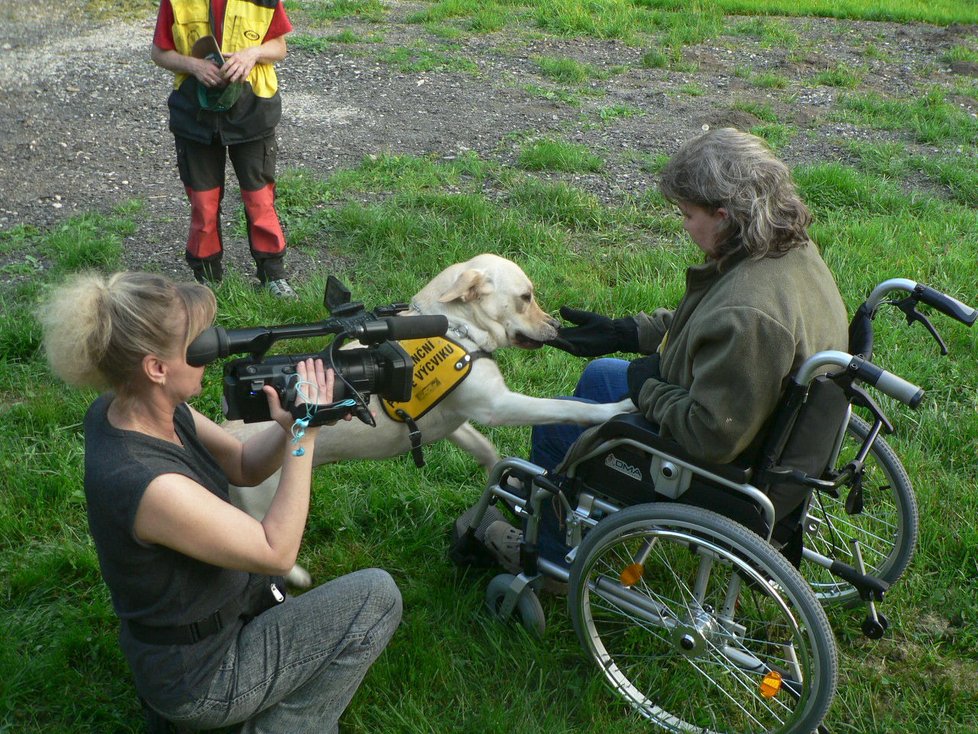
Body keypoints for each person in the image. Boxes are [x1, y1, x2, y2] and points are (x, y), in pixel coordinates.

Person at [41, 272, 400, 732]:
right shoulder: (149, 485)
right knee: (376, 597)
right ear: (156, 367)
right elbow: (277, 551)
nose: (212, 350)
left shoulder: (142, 409)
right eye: (198, 344)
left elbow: (245, 464)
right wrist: (304, 433)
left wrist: (294, 421)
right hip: (201, 678)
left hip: (215, 627)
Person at [483, 127, 849, 572]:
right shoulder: (781, 249)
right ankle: (578, 499)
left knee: (560, 424)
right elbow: (709, 327)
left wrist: (647, 387)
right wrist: (626, 332)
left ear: (722, 215)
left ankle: (548, 559)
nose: (683, 225)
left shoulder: (751, 314)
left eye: (686, 214)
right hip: (758, 416)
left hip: (716, 461)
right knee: (601, 374)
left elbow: (710, 435)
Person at [151, 0, 297, 298]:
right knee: (202, 202)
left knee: (259, 198)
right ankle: (207, 280)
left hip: (252, 109)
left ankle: (273, 276)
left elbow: (279, 47)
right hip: (195, 112)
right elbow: (159, 52)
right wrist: (194, 65)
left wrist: (252, 53)